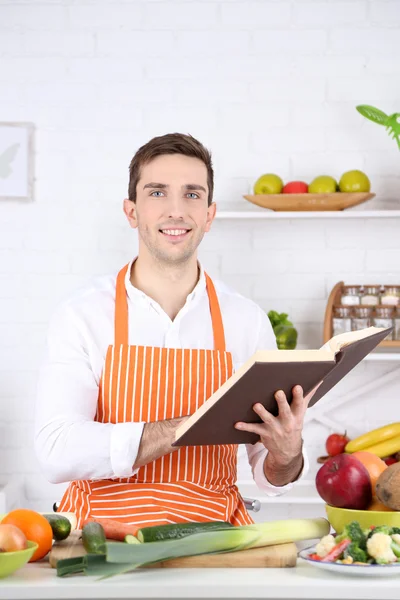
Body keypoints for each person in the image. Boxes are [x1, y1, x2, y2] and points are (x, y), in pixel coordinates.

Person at [34, 133, 314, 529]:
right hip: (98, 540)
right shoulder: (82, 314)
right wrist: (188, 425)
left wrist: (288, 455)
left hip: (214, 540)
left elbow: (269, 475)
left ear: (210, 215)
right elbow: (56, 451)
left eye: (193, 195)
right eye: (158, 193)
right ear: (132, 212)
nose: (177, 210)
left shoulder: (247, 321)